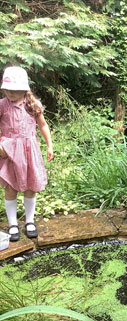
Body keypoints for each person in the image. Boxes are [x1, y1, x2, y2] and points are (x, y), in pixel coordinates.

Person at [0, 66, 54, 241]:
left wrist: (49, 145)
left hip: (29, 152)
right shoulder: (2, 105)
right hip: (9, 153)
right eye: (7, 90)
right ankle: (13, 223)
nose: (10, 93)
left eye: (14, 90)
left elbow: (43, 125)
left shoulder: (33, 105)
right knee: (11, 188)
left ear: (24, 89)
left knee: (30, 187)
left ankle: (29, 221)